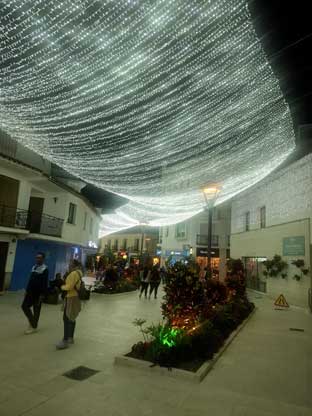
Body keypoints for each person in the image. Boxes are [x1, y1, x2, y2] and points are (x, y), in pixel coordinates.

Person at [56, 259, 83, 350]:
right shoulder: (79, 273)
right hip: (75, 297)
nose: (68, 265)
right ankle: (70, 337)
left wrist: (61, 286)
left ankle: (65, 340)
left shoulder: (73, 273)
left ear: (74, 265)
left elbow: (69, 286)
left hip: (71, 297)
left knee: (66, 318)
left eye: (70, 264)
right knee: (72, 317)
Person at [22, 252, 49, 334]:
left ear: (43, 259)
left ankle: (33, 327)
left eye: (40, 258)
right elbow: (31, 280)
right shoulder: (34, 267)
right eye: (37, 257)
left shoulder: (45, 269)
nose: (38, 259)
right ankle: (33, 323)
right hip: (30, 292)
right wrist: (26, 290)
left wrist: (42, 294)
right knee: (24, 306)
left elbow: (45, 283)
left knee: (36, 310)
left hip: (38, 294)